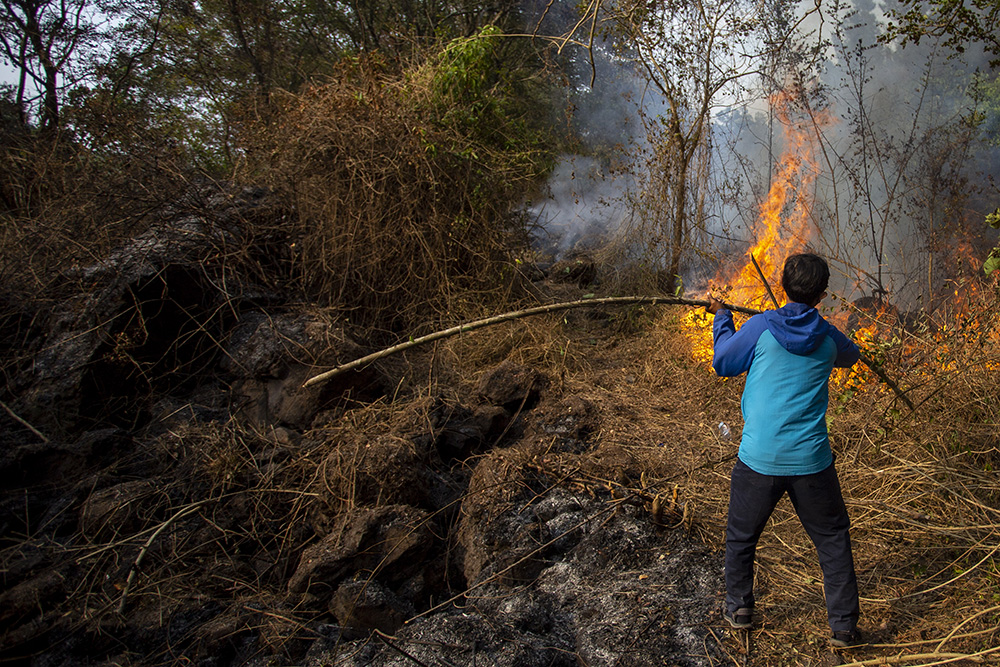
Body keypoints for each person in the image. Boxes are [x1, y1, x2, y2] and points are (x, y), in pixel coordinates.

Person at [706, 252, 864, 648]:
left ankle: (739, 609)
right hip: (811, 462)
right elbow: (852, 355)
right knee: (832, 540)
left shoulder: (760, 326)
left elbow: (723, 362)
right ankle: (843, 628)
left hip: (758, 459)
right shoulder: (829, 338)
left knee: (742, 537)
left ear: (782, 286)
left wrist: (722, 317)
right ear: (823, 295)